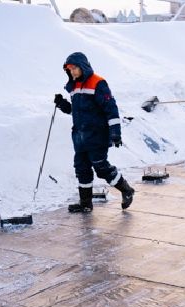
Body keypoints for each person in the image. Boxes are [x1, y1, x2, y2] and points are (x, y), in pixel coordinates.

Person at [54, 52, 135, 213]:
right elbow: (77, 111)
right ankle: (85, 204)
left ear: (82, 66)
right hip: (80, 138)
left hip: (97, 136)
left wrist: (115, 133)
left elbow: (111, 109)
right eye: (69, 69)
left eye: (74, 68)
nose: (72, 72)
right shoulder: (74, 86)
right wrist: (63, 104)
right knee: (82, 169)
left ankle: (127, 190)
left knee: (101, 168)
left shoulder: (98, 83)